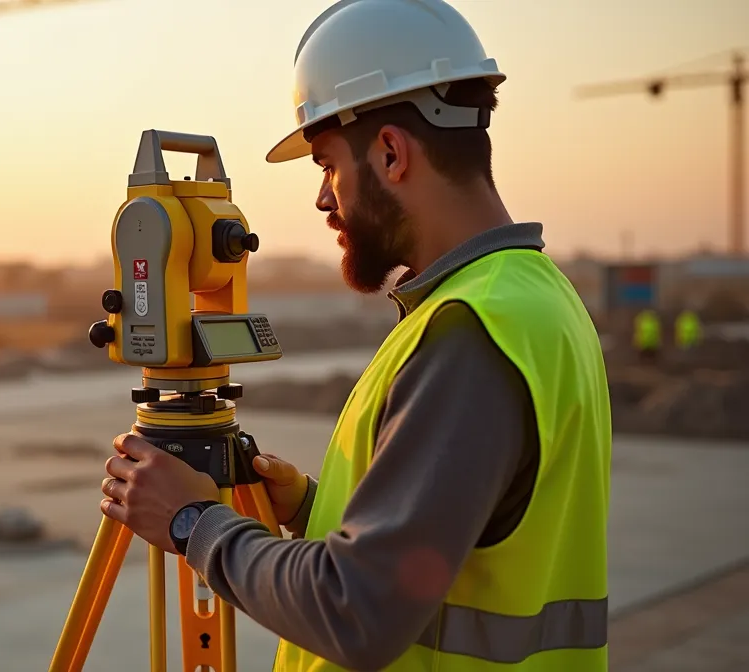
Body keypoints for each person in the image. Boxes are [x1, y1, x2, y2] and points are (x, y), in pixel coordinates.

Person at [96, 0, 613, 669]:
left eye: (326, 164)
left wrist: (193, 523)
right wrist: (316, 510)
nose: (322, 198)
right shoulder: (531, 299)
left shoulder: (471, 335)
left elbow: (357, 611)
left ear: (393, 153)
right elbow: (465, 545)